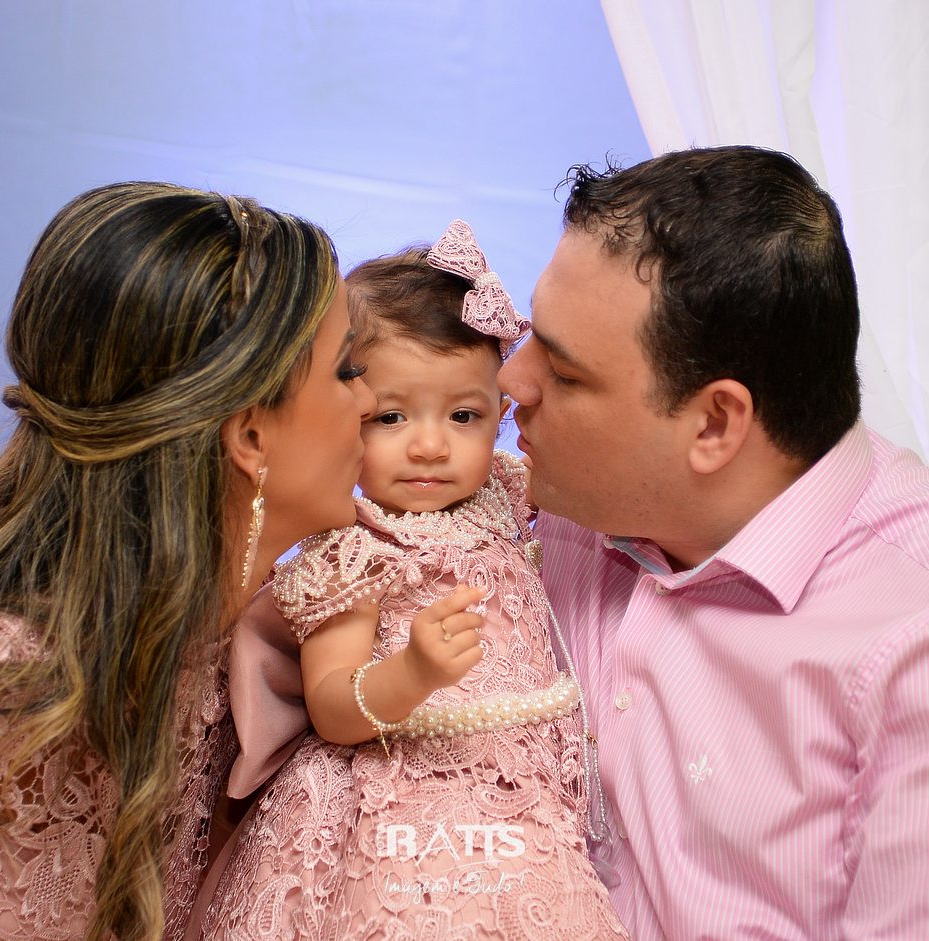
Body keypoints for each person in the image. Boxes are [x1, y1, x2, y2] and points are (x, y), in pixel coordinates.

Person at [498, 145, 929, 940]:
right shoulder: (566, 502)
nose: (512, 381)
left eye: (565, 372)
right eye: (532, 335)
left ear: (714, 423)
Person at [0, 181, 375, 941]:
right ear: (250, 437)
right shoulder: (7, 673)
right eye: (346, 369)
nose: (371, 401)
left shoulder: (244, 660)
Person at [194, 221, 629, 940]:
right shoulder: (358, 545)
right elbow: (331, 706)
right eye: (392, 417)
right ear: (351, 411)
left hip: (522, 803)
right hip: (396, 806)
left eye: (463, 415)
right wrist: (412, 671)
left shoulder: (507, 493)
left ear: (501, 414)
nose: (430, 445)